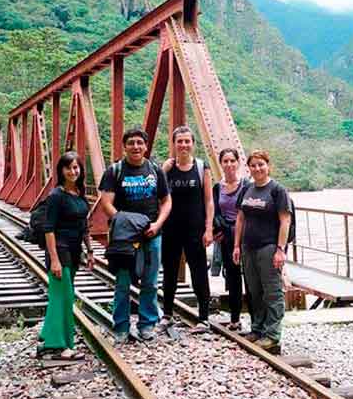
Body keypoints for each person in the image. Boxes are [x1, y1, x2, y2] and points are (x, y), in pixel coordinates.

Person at [99, 127, 171, 342]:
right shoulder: (115, 171)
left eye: (140, 142)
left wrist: (157, 225)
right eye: (131, 143)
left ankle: (146, 324)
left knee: (150, 282)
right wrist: (124, 224)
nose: (136, 147)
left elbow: (166, 201)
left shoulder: (155, 171)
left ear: (146, 146)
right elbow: (106, 203)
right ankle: (121, 326)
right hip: (125, 239)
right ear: (125, 146)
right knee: (122, 281)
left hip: (151, 234)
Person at [232, 150, 292, 353]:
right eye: (253, 165)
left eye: (261, 164)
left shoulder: (277, 190)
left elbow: (285, 221)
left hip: (268, 248)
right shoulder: (247, 189)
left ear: (268, 166)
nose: (257, 168)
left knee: (272, 292)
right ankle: (257, 329)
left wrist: (280, 250)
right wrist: (236, 245)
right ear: (249, 168)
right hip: (248, 247)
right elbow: (240, 218)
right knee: (254, 290)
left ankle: (273, 335)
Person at [38, 151, 95, 360]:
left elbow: (84, 227)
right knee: (64, 297)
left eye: (77, 167)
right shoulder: (56, 196)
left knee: (62, 297)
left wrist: (89, 251)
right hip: (60, 251)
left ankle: (48, 336)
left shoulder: (79, 195)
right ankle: (62, 346)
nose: (74, 171)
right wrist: (53, 259)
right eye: (69, 167)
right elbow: (49, 229)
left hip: (74, 251)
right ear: (61, 171)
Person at [160, 126, 214, 333]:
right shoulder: (167, 169)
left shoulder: (201, 167)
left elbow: (209, 201)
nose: (183, 145)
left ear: (193, 144)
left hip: (195, 229)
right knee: (170, 272)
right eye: (179, 141)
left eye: (187, 141)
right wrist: (163, 170)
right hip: (171, 228)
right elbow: (155, 192)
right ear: (173, 144)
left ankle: (204, 318)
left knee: (199, 271)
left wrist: (209, 229)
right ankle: (167, 314)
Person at [213, 148, 250, 331]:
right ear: (221, 164)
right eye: (225, 161)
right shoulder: (217, 188)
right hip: (227, 237)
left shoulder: (247, 185)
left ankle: (257, 319)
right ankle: (235, 318)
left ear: (238, 163)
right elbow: (213, 212)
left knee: (251, 277)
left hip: (247, 236)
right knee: (233, 277)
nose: (229, 165)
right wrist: (215, 230)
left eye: (232, 161)